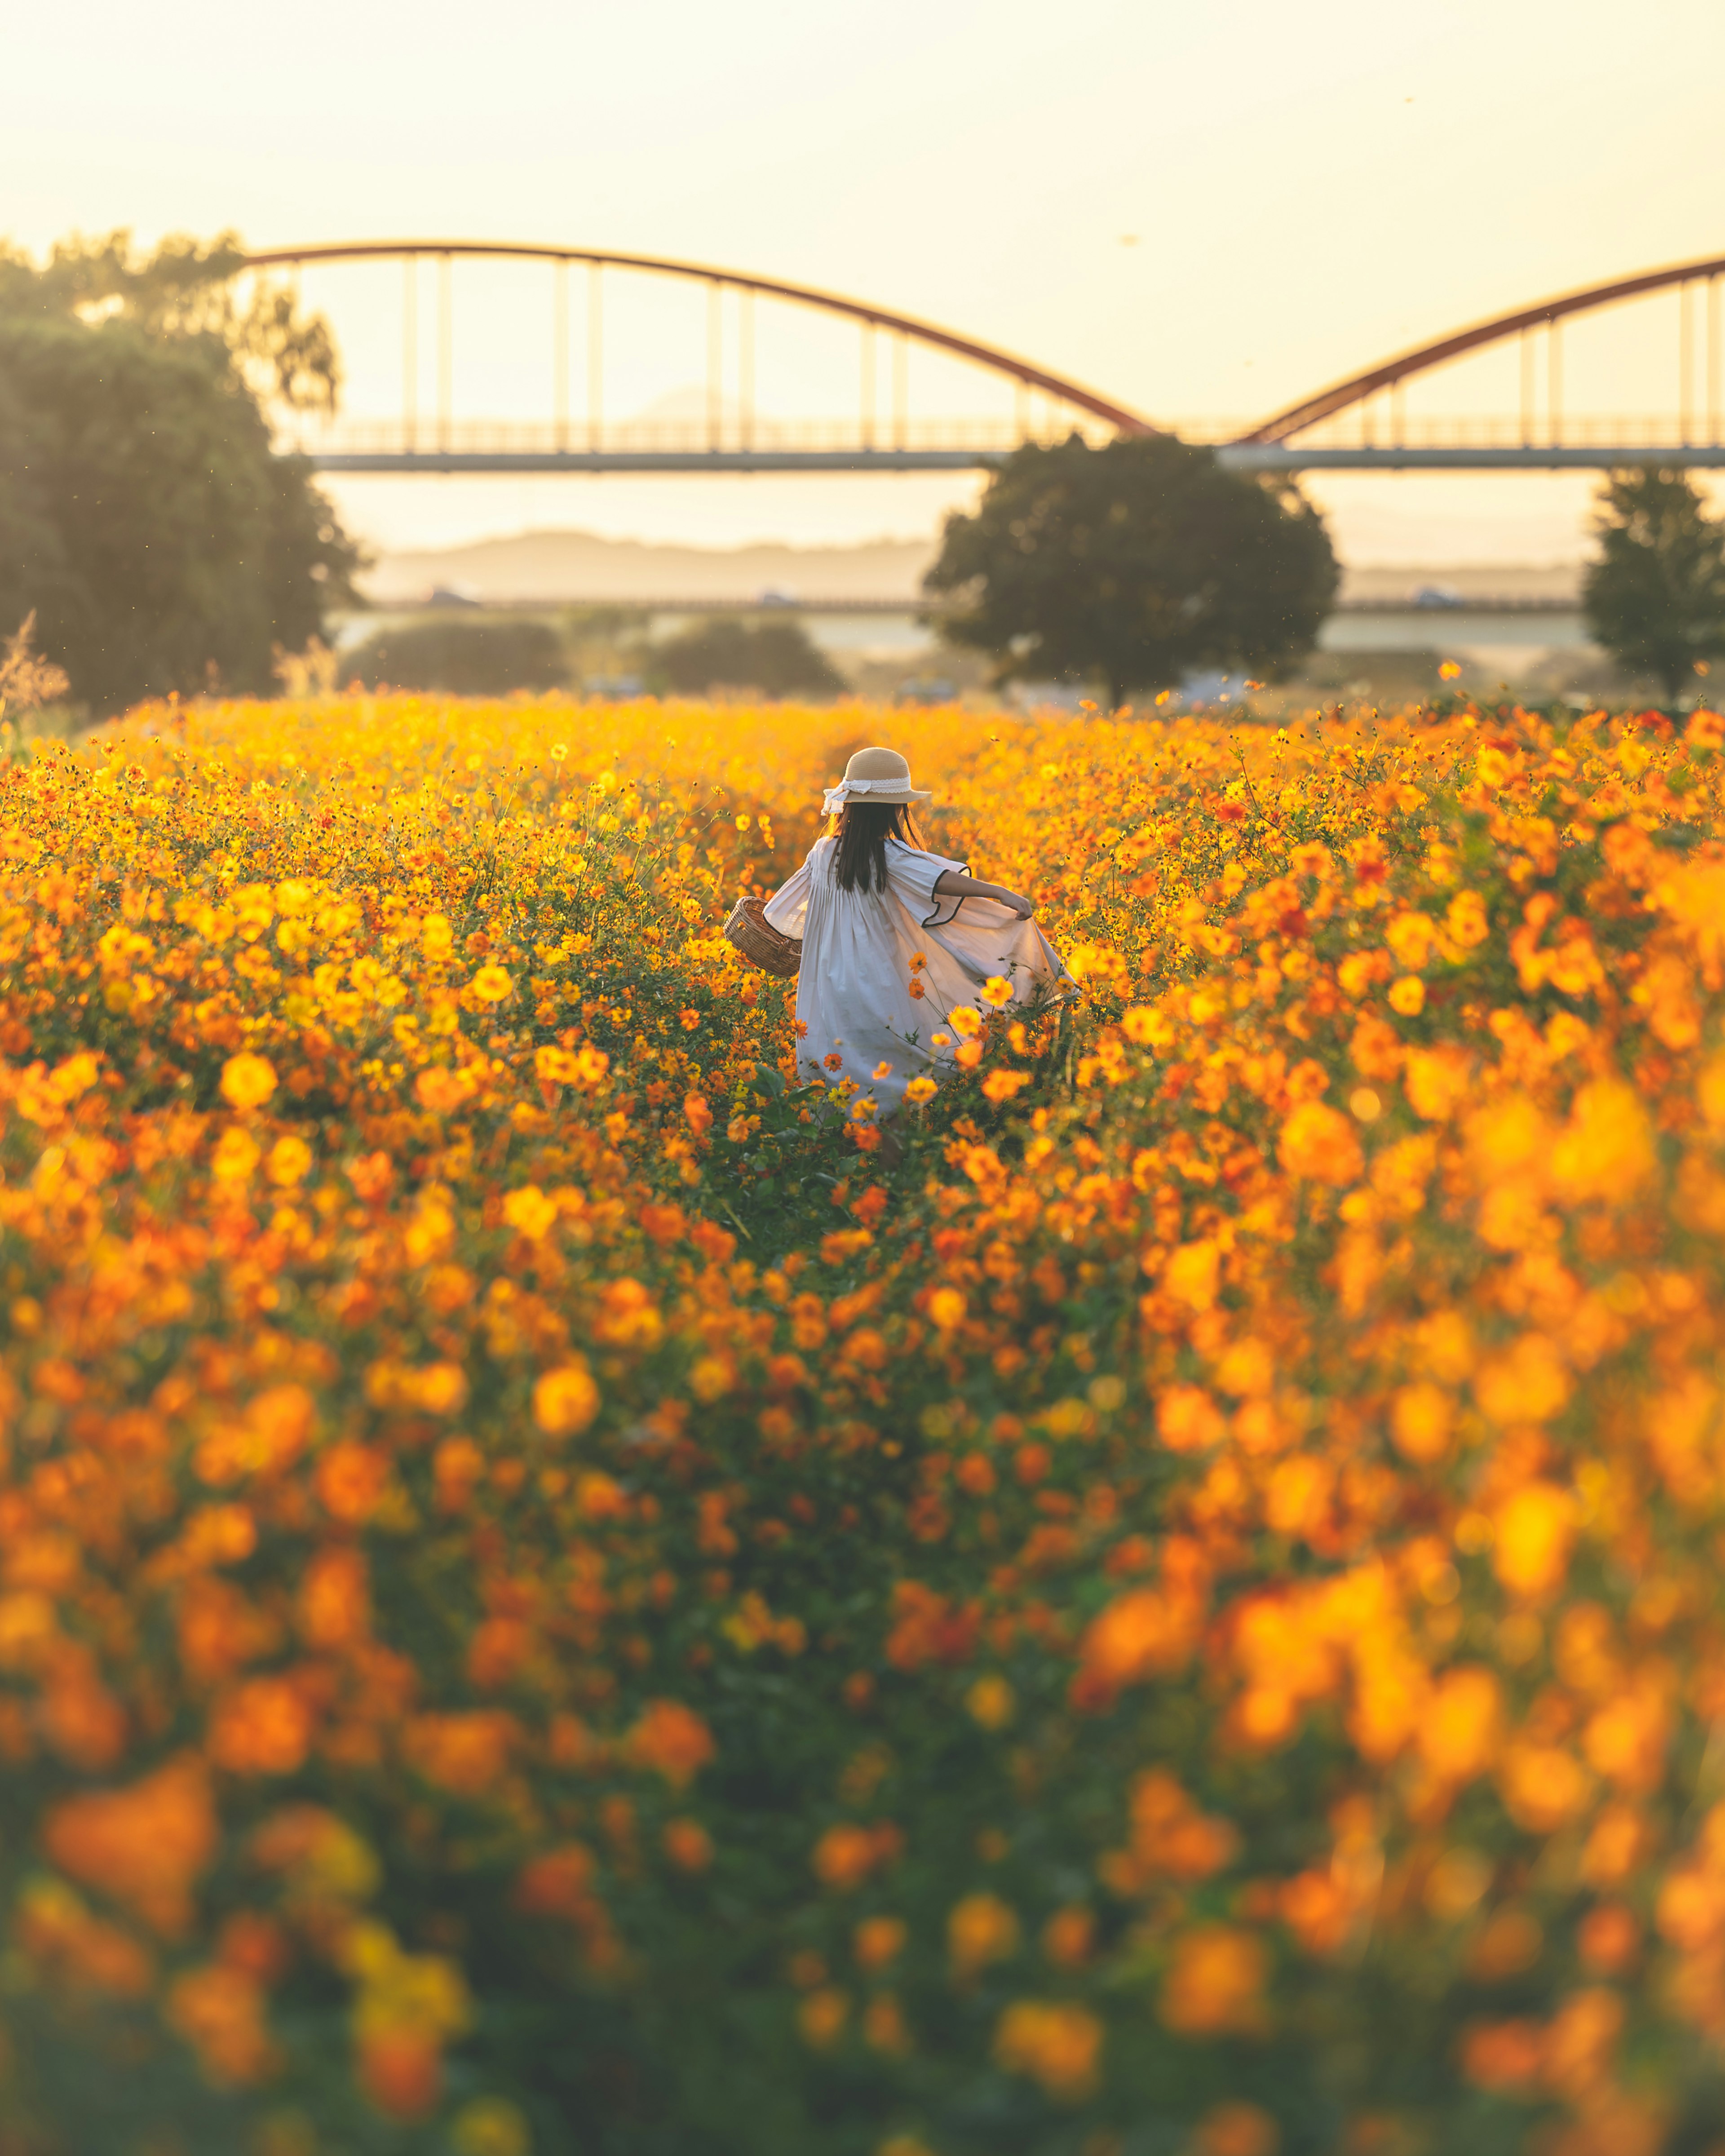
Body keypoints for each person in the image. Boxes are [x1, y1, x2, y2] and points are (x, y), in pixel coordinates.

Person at [761, 745, 1073, 1130]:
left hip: (825, 990)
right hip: (878, 986)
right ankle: (894, 1183)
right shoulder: (889, 855)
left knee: (837, 1080)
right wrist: (999, 893)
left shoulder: (823, 853)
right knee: (892, 1091)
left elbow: (780, 912)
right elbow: (941, 880)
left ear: (850, 804)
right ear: (895, 808)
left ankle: (844, 1173)